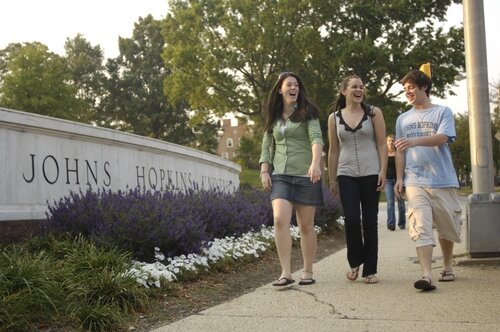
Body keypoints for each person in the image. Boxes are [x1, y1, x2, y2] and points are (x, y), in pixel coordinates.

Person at [394, 68, 462, 291]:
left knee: (446, 226)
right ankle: (426, 275)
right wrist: (399, 179)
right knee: (420, 225)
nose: (408, 92)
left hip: (442, 178)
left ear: (424, 87)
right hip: (415, 180)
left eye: (411, 87)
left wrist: (414, 142)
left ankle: (447, 266)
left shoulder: (443, 112)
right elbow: (400, 151)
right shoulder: (402, 119)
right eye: (405, 89)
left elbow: (443, 138)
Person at [259, 71, 324, 287]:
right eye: (289, 84)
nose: (293, 88)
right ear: (280, 89)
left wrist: (315, 163)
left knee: (306, 225)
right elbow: (267, 145)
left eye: (296, 84)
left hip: (306, 174)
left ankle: (307, 270)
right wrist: (264, 170)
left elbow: (316, 138)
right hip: (281, 175)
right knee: (280, 220)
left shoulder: (309, 112)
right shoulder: (273, 115)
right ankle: (286, 272)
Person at [327, 75, 387, 284]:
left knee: (370, 222)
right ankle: (355, 262)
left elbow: (382, 144)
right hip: (346, 174)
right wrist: (332, 179)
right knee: (352, 220)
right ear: (344, 91)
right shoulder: (334, 117)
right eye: (354, 87)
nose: (359, 90)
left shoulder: (374, 113)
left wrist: (383, 171)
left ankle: (370, 269)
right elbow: (333, 151)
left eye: (361, 87)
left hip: (371, 173)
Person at [385, 134, 406, 231]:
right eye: (389, 141)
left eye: (392, 140)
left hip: (399, 180)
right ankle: (391, 224)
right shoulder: (383, 154)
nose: (391, 142)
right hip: (388, 181)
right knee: (390, 203)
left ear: (395, 142)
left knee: (401, 204)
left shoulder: (399, 153)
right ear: (386, 142)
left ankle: (402, 223)